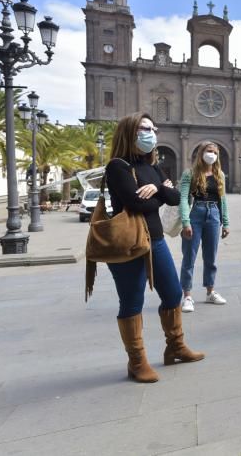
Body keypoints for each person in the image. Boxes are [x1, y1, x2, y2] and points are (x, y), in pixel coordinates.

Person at [102, 112, 204, 383]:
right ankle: (136, 361)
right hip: (129, 244)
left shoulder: (152, 166)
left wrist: (155, 187)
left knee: (172, 294)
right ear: (129, 132)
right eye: (145, 128)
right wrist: (160, 190)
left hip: (156, 241)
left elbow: (174, 197)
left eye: (153, 128)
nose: (151, 133)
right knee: (132, 301)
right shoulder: (118, 166)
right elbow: (137, 204)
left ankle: (176, 347)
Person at [179, 141, 231, 313]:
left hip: (214, 215)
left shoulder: (219, 174)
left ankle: (210, 292)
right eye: (209, 151)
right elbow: (184, 199)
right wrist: (185, 222)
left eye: (215, 152)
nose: (212, 155)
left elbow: (222, 200)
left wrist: (226, 222)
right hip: (196, 213)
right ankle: (187, 296)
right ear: (201, 153)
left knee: (211, 257)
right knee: (189, 257)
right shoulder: (190, 173)